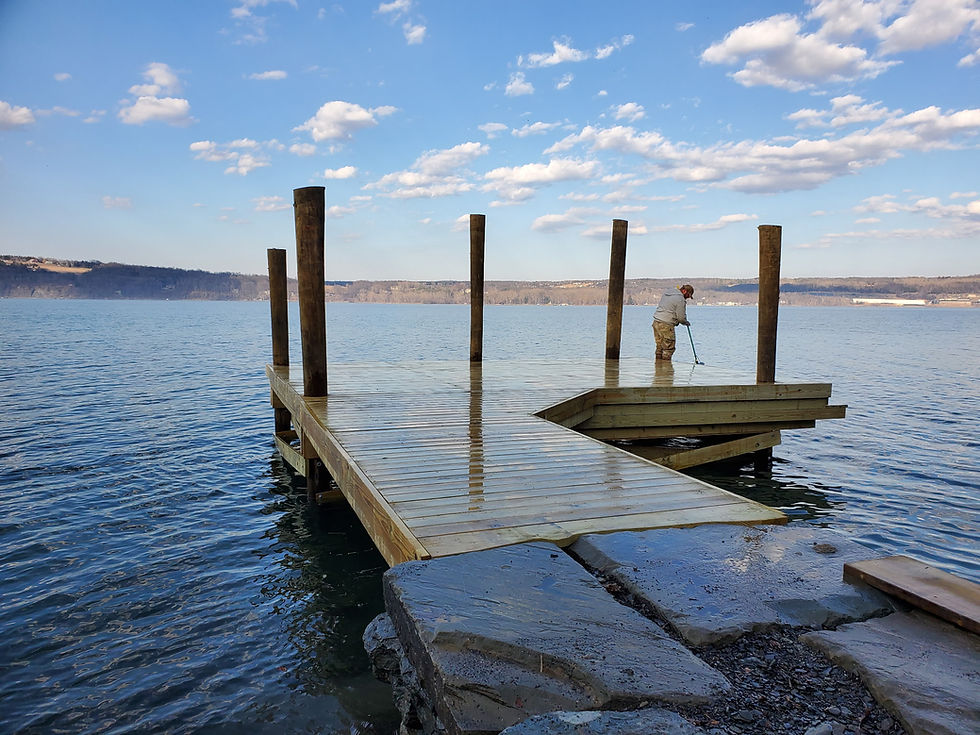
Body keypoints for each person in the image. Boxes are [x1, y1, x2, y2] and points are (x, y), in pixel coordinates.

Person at [652, 284, 694, 360]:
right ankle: (666, 370)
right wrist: (686, 322)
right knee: (668, 349)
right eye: (688, 296)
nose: (687, 298)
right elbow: (681, 318)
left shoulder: (668, 292)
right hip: (666, 325)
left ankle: (658, 368)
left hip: (656, 322)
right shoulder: (680, 299)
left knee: (660, 347)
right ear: (684, 291)